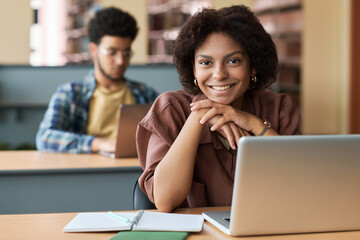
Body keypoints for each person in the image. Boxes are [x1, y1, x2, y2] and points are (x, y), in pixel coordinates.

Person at [136, 5, 301, 212]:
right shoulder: (170, 109)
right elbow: (165, 201)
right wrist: (199, 116)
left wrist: (254, 124)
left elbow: (301, 183)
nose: (219, 74)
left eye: (233, 61)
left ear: (253, 66)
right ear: (193, 69)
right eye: (206, 63)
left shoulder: (278, 108)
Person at [36, 7, 158, 154]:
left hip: (135, 172)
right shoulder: (70, 94)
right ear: (93, 50)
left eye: (126, 53)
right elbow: (45, 138)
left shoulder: (145, 94)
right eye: (112, 52)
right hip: (87, 173)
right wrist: (100, 143)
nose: (120, 61)